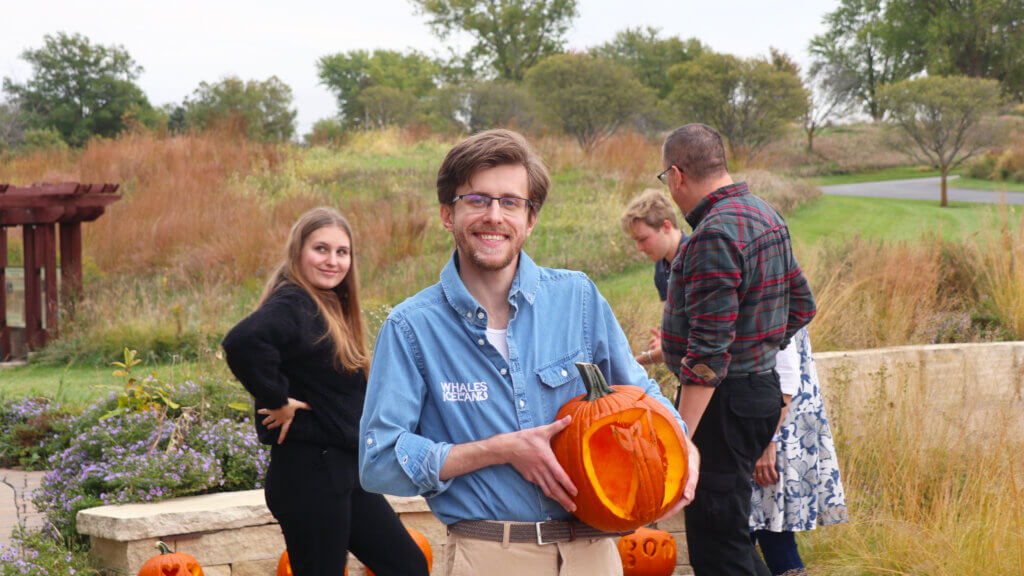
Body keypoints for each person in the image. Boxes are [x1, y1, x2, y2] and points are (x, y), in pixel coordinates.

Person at [358, 129, 699, 576]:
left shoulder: (577, 298)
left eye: (510, 202)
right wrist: (498, 449)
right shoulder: (412, 327)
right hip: (491, 556)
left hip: (593, 555)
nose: (493, 215)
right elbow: (378, 461)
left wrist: (684, 444)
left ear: (530, 218)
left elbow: (639, 393)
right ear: (448, 213)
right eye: (476, 200)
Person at [222, 207, 428, 576]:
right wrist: (276, 399)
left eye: (342, 252)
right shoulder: (295, 302)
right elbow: (243, 342)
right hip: (309, 474)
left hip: (342, 470)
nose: (333, 261)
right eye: (321, 249)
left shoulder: (327, 304)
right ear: (298, 251)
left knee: (407, 564)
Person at [658, 123, 817, 576]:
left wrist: (681, 435)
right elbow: (803, 305)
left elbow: (709, 354)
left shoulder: (713, 234)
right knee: (727, 533)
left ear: (676, 175)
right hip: (758, 392)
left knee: (717, 547)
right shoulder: (765, 213)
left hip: (723, 407)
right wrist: (758, 347)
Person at [749, 327, 849, 576]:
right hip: (771, 425)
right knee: (766, 532)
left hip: (773, 428)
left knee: (765, 534)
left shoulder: (774, 292)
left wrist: (768, 442)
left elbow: (787, 372)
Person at [619, 188, 688, 366]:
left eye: (642, 239)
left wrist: (638, 361)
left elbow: (698, 340)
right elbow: (673, 333)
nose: (639, 248)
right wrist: (664, 342)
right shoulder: (661, 267)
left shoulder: (696, 259)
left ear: (666, 226)